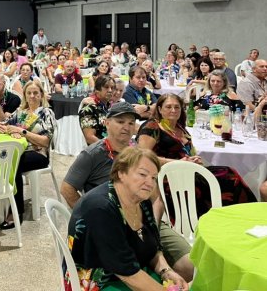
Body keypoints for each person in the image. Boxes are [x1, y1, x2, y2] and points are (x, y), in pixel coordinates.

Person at [67, 146, 189, 291]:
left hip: (133, 270)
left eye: (153, 178)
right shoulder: (101, 208)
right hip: (97, 282)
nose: (150, 183)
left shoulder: (141, 200)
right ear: (120, 173)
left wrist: (166, 271)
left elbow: (153, 248)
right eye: (142, 174)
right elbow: (127, 274)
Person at [138, 94, 255, 212]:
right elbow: (143, 156)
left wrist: (194, 160)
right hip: (168, 177)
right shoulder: (153, 126)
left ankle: (244, 213)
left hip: (188, 171)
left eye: (177, 107)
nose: (173, 110)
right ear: (159, 109)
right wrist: (178, 163)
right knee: (228, 178)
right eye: (168, 107)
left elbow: (188, 152)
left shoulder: (180, 127)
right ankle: (244, 213)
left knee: (229, 173)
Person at [0, 80, 56, 228]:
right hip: (19, 151)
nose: (32, 96)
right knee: (3, 159)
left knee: (13, 163)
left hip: (38, 154)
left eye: (35, 93)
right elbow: (4, 124)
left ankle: (16, 212)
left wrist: (22, 132)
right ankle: (0, 204)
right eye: (29, 93)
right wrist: (9, 131)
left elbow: (46, 141)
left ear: (41, 95)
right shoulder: (21, 112)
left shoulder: (46, 112)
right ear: (25, 96)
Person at [78, 75, 115, 145]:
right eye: (106, 87)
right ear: (97, 90)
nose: (110, 90)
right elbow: (89, 138)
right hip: (98, 149)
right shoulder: (88, 109)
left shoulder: (111, 107)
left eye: (112, 88)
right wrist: (109, 147)